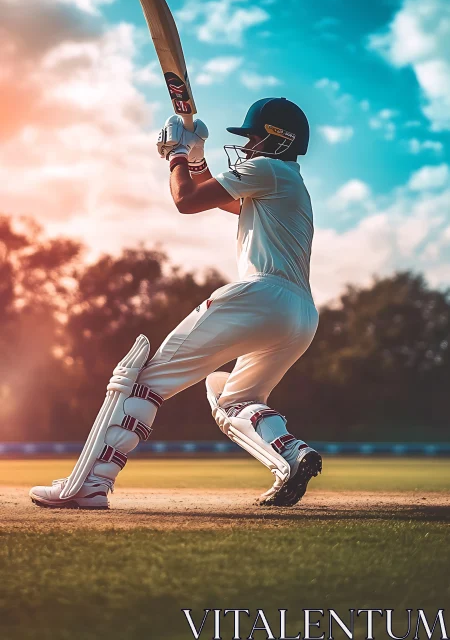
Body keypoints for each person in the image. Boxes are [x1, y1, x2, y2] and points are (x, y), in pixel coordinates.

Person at [30, 97, 321, 510]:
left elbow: (187, 200)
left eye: (254, 138)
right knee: (231, 396)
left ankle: (90, 484)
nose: (247, 146)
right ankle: (291, 454)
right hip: (301, 315)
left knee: (143, 383)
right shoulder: (288, 182)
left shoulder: (266, 168)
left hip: (262, 295)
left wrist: (177, 154)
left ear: (279, 140)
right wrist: (197, 158)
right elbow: (220, 198)